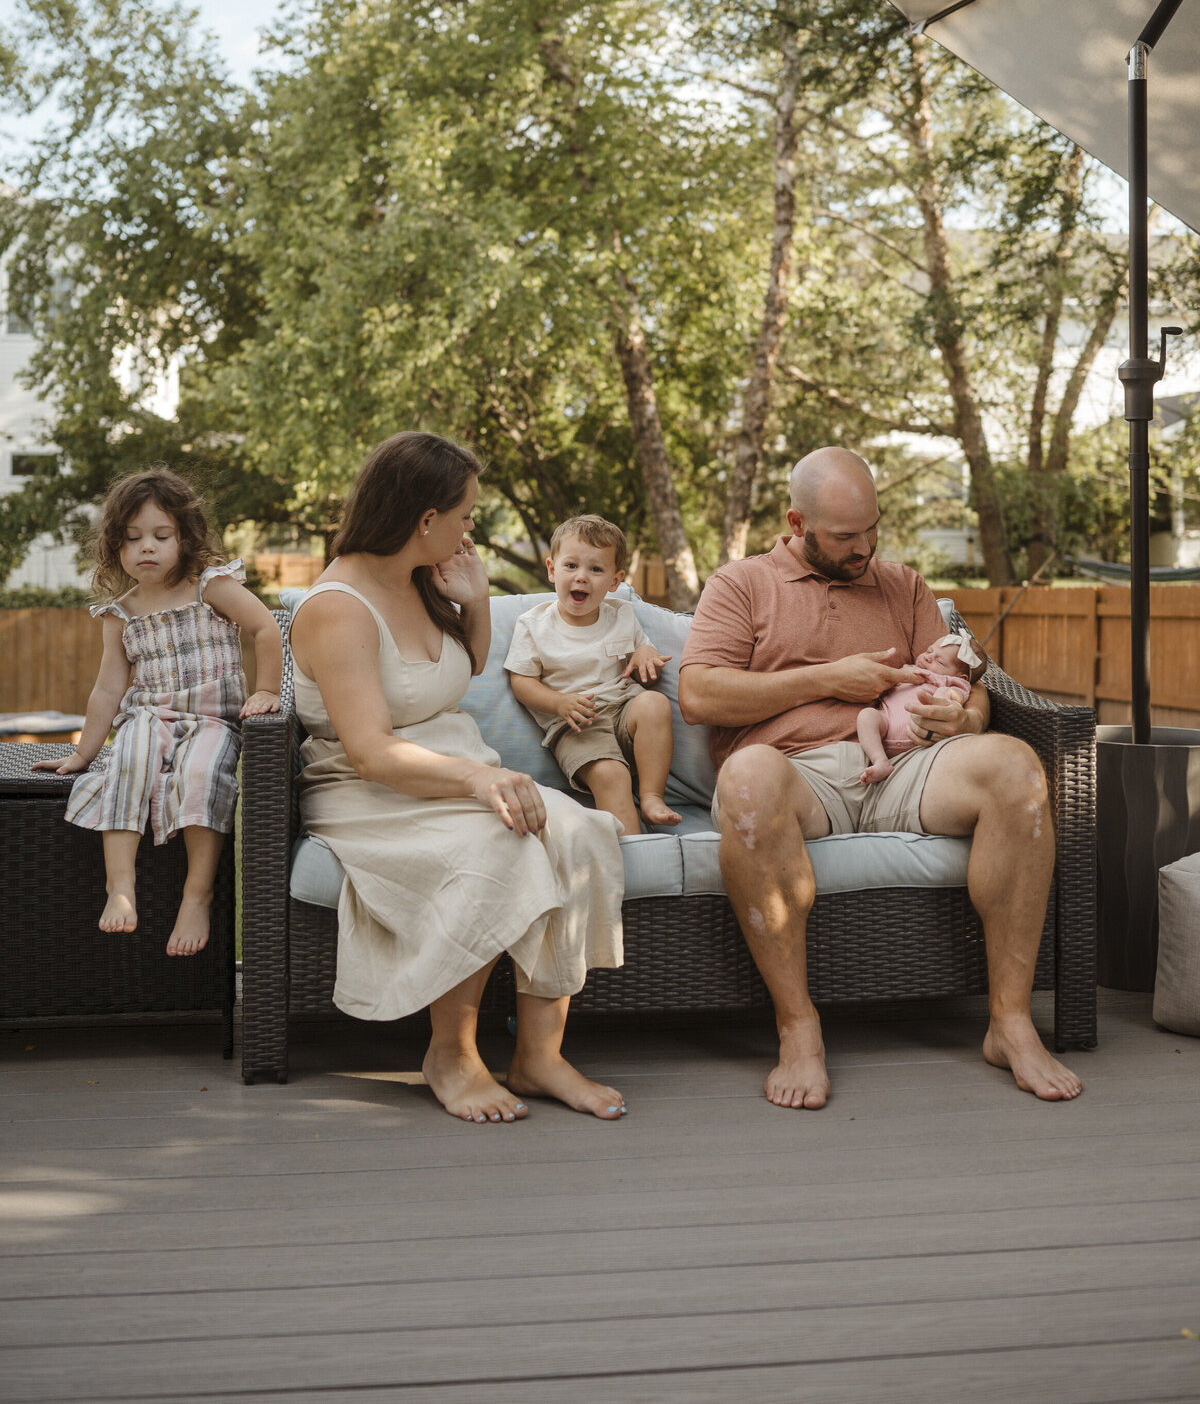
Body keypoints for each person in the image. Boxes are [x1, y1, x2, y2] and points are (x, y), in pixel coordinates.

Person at [678, 446, 1082, 1111]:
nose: (864, 547)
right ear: (797, 521)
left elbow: (969, 685)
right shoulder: (742, 584)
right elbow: (699, 695)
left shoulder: (905, 586)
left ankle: (1010, 1021)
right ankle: (798, 1025)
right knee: (747, 777)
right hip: (800, 775)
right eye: (844, 536)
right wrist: (826, 680)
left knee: (1016, 765)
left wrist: (964, 714)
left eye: (873, 528)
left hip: (909, 764)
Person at [288, 433, 628, 1125]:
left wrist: (474, 601)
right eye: (467, 515)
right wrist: (476, 780)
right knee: (499, 844)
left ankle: (538, 1053)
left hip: (458, 767)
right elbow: (371, 752)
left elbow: (462, 668)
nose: (472, 528)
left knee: (585, 830)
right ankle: (451, 1052)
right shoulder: (338, 608)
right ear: (426, 519)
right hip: (372, 792)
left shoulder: (419, 577)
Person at [34, 468, 282, 955]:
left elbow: (266, 628)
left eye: (160, 536)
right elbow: (108, 689)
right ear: (115, 546)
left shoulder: (208, 586)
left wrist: (268, 689)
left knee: (202, 773)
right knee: (126, 763)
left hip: (213, 718)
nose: (146, 547)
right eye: (132, 538)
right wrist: (84, 753)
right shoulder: (119, 612)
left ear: (184, 538)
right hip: (148, 715)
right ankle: (120, 886)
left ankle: (197, 894)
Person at [505, 514, 679, 835]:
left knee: (654, 703)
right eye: (571, 566)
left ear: (615, 581)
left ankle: (653, 797)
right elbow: (521, 681)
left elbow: (644, 651)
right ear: (551, 569)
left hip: (623, 710)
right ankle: (635, 848)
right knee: (612, 775)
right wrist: (558, 703)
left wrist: (645, 653)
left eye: (596, 569)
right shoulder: (534, 625)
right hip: (577, 723)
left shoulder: (622, 615)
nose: (582, 577)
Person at [857, 629, 984, 783]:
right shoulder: (907, 669)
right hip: (885, 725)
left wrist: (944, 694)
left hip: (924, 740)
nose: (928, 657)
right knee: (867, 716)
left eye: (939, 661)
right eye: (929, 650)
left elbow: (957, 696)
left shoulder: (950, 682)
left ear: (960, 676)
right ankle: (879, 760)